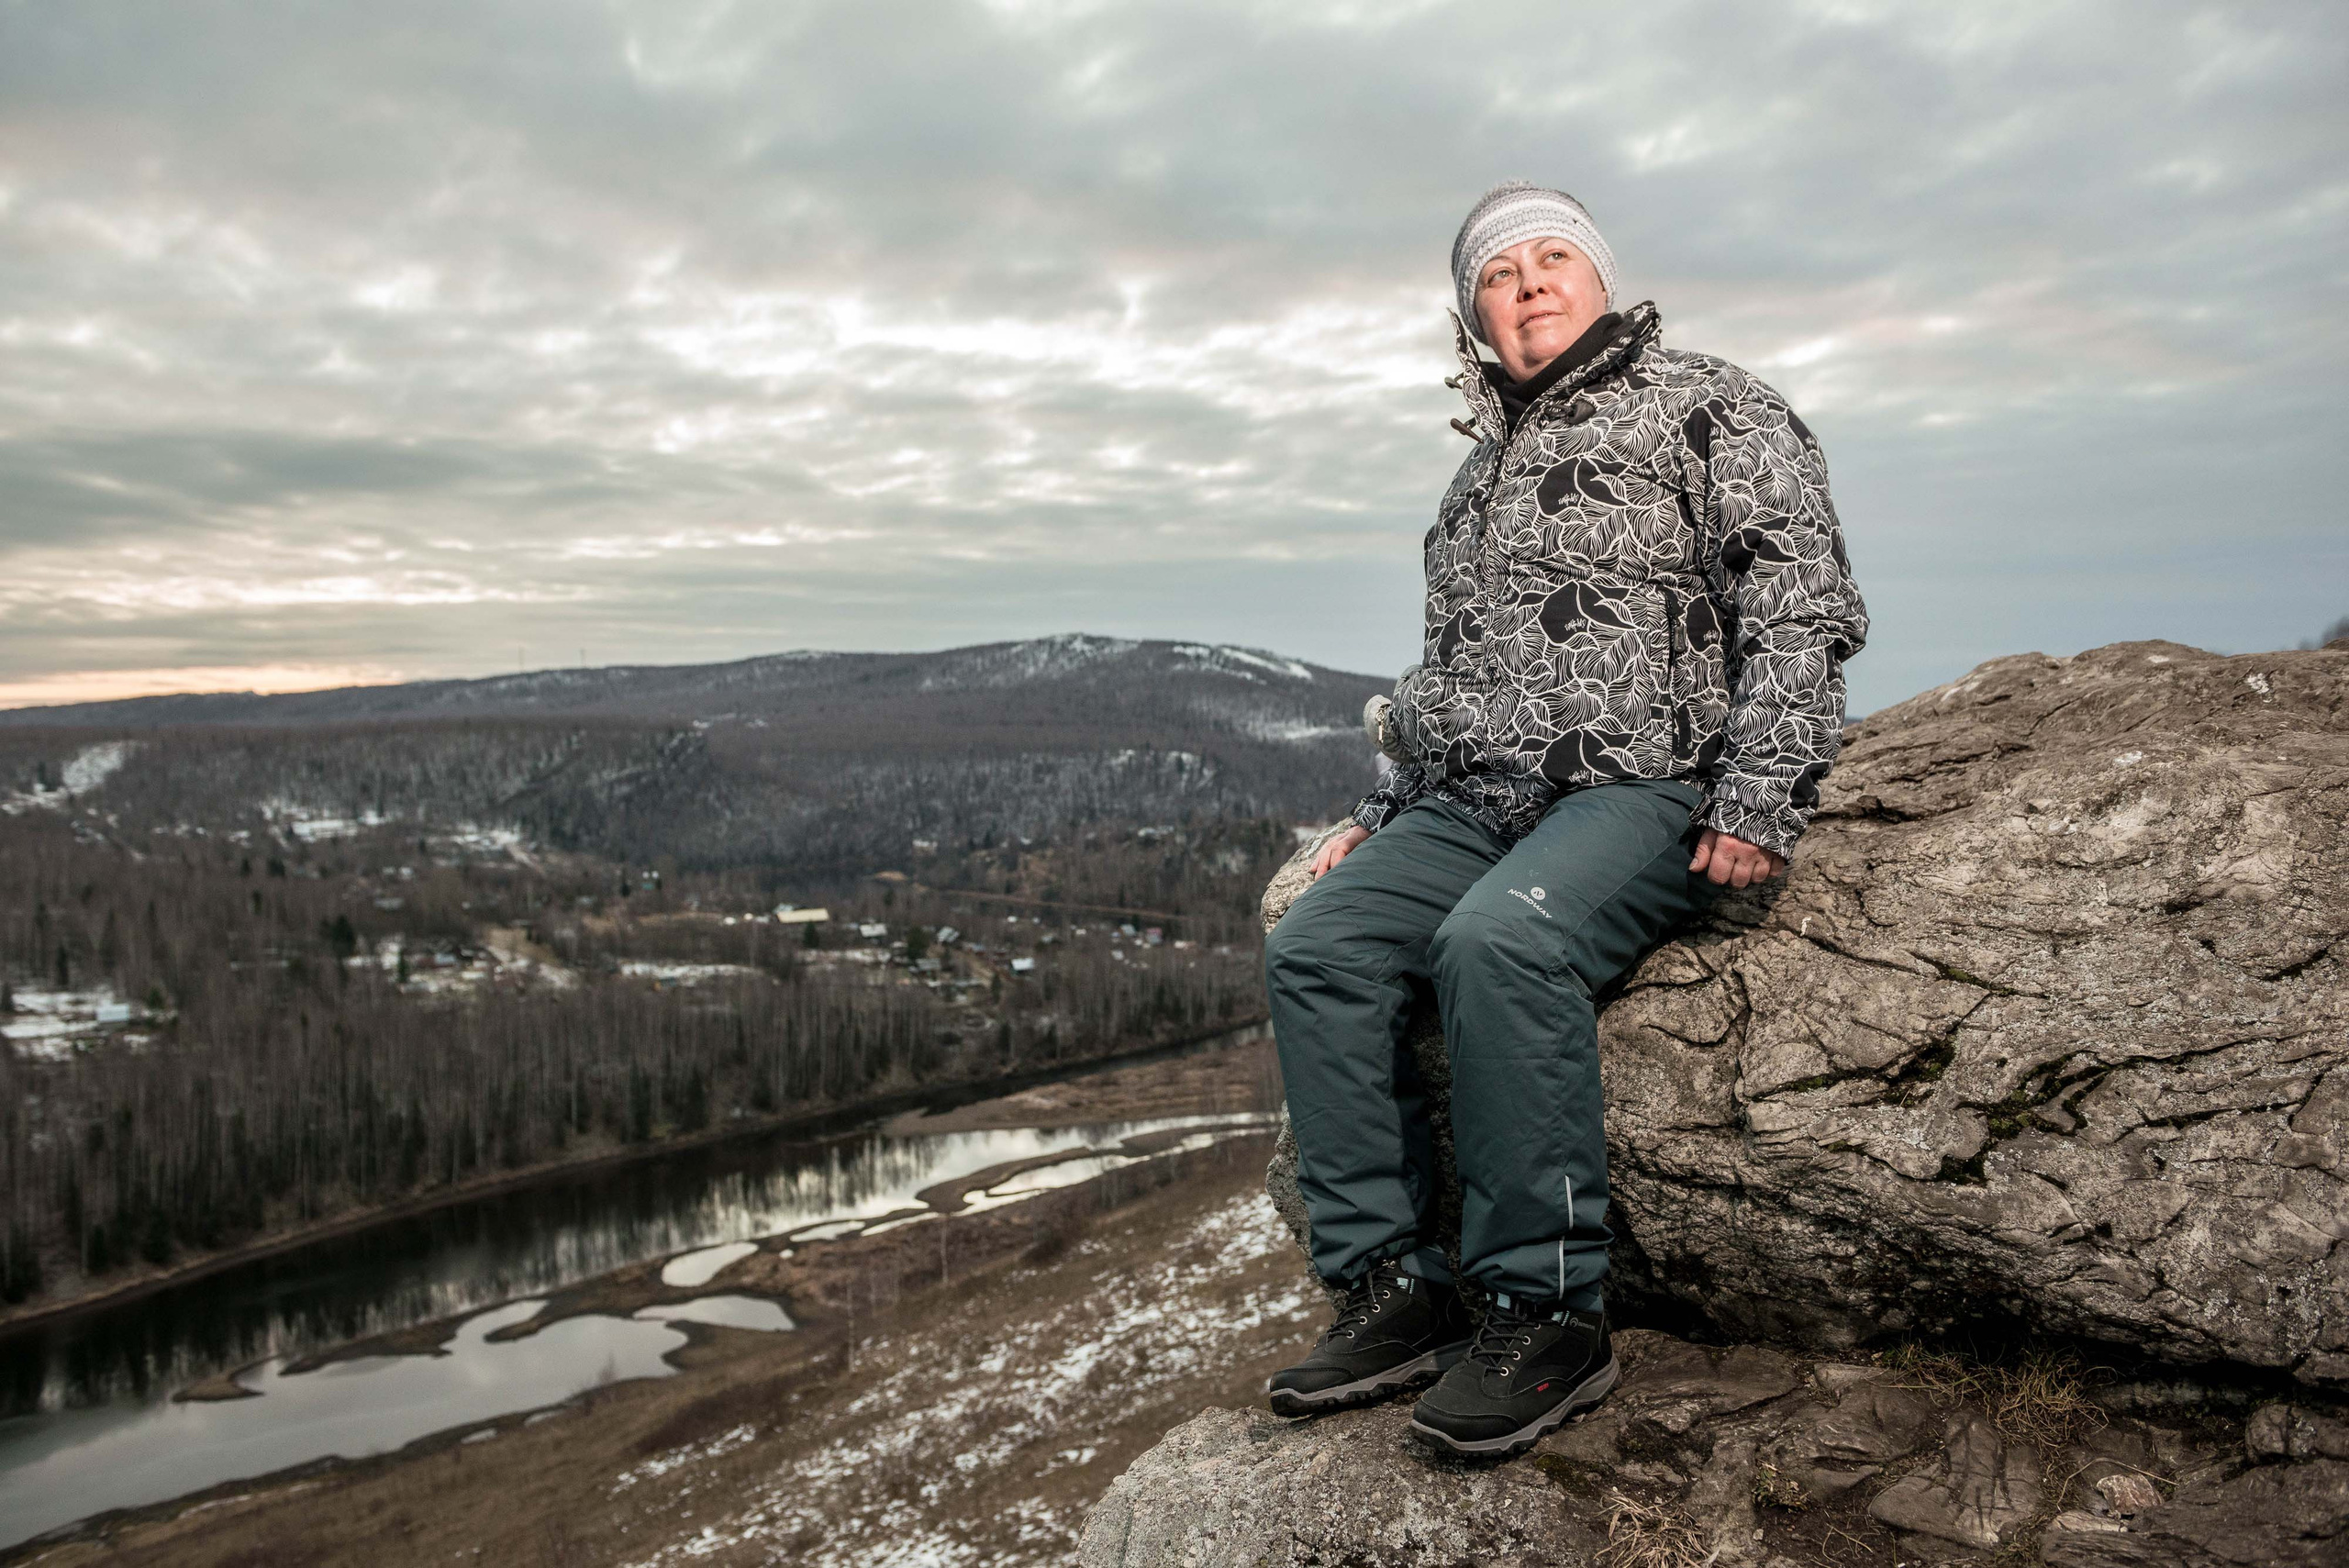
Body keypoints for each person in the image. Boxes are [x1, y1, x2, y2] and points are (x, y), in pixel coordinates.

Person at [1262, 181, 1867, 1457]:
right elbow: (1450, 678)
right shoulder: (1475, 481)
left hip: (1655, 784)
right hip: (1479, 799)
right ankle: (1392, 1283)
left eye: (1553, 259)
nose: (1529, 283)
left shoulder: (1709, 405)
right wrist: (1386, 807)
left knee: (1501, 943)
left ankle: (1546, 1314)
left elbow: (1801, 601)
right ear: (1473, 316)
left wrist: (1762, 788)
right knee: (1317, 944)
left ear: (1598, 278)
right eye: (1499, 273)